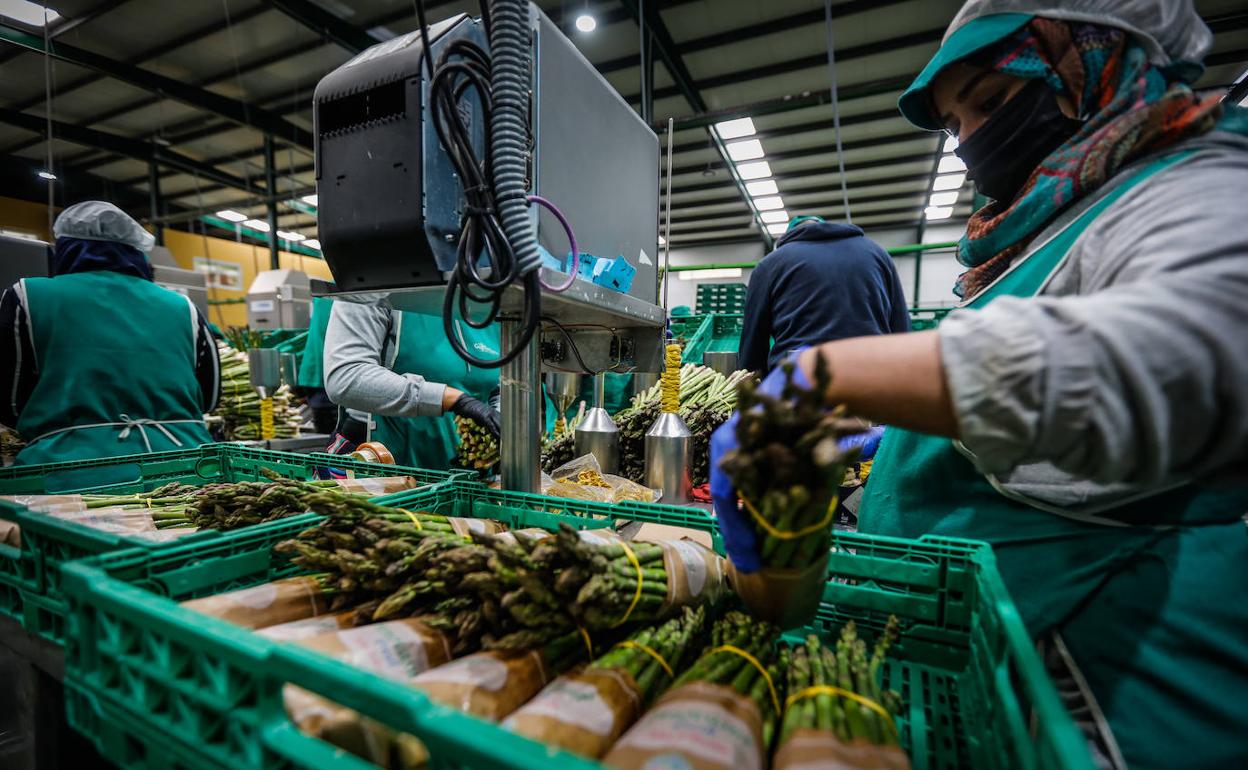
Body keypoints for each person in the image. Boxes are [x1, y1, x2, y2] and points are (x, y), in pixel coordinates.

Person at [711, 2, 1248, 768]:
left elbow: (1189, 367)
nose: (970, 141)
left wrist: (819, 373)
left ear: (1091, 61)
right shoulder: (1052, 222)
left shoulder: (1198, 184)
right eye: (955, 123)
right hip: (978, 647)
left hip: (1091, 686)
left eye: (992, 103)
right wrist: (907, 435)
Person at [0, 201, 218, 464]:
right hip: (189, 465)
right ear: (136, 253)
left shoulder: (27, 296)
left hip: (69, 474)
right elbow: (210, 397)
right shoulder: (183, 306)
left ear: (66, 248)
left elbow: (8, 402)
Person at [323, 299, 502, 469]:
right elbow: (346, 377)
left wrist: (500, 430)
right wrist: (452, 399)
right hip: (383, 468)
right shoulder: (371, 286)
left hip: (468, 476)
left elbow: (500, 385)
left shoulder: (489, 300)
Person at [737, 215, 910, 373]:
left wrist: (751, 395)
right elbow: (901, 329)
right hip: (873, 375)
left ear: (789, 237)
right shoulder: (878, 254)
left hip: (798, 381)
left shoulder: (771, 264)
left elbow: (753, 346)